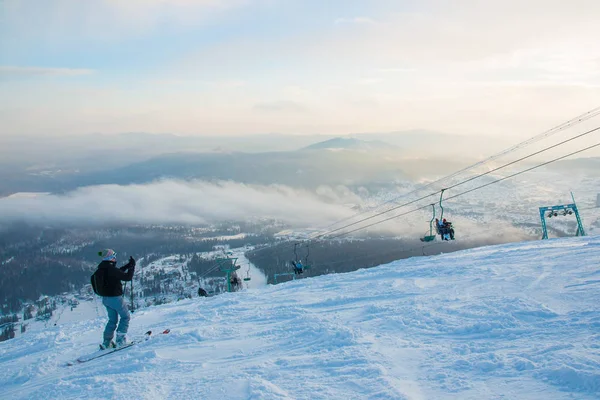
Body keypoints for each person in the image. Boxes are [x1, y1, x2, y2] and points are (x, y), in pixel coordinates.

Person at [91, 249, 136, 349]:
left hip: (106, 299)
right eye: (114, 256)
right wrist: (132, 267)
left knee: (112, 320)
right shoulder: (111, 269)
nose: (115, 258)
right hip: (115, 298)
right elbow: (127, 277)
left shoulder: (101, 269)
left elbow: (118, 272)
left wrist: (128, 265)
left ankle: (107, 342)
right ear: (110, 258)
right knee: (125, 317)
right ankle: (121, 341)